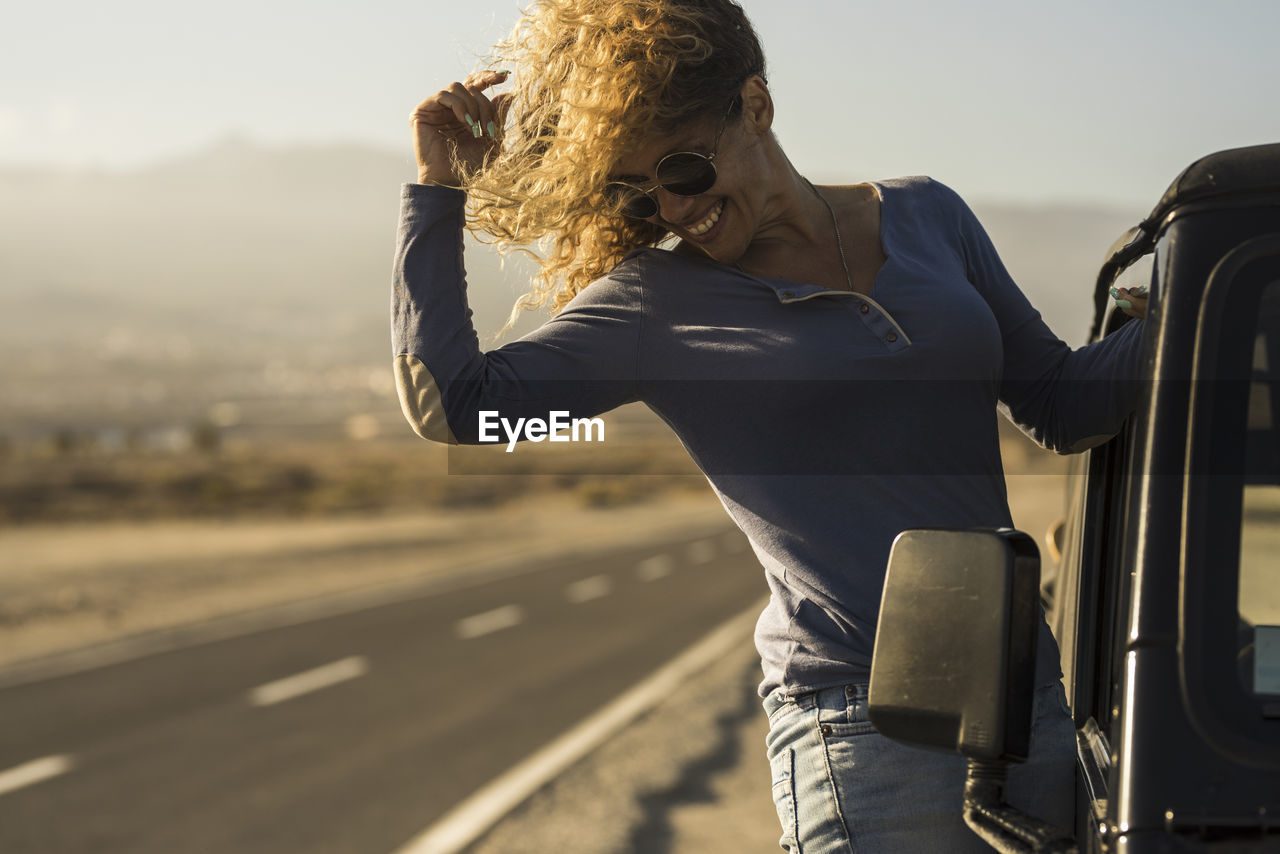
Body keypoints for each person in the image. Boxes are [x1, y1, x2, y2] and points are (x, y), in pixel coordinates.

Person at [394, 1, 1148, 850]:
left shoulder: (930, 215)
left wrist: (1206, 287)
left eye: (681, 171)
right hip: (868, 739)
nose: (674, 211)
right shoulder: (656, 305)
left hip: (1030, 707)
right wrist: (437, 190)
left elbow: (1062, 402)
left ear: (756, 106)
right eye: (640, 195)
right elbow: (457, 407)